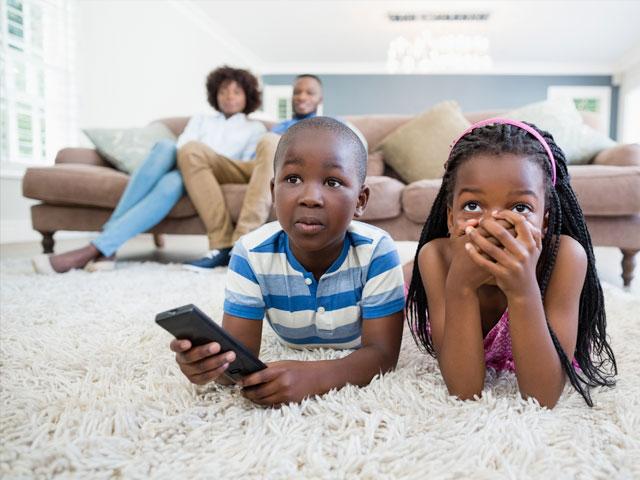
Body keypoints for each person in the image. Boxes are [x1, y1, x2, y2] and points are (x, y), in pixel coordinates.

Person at [169, 117, 405, 406]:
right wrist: (210, 366)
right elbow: (237, 358)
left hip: (372, 293)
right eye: (293, 179)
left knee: (410, 279)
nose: (310, 198)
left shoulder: (377, 251)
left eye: (332, 182)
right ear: (273, 191)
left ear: (360, 200)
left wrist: (317, 377)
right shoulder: (251, 253)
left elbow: (383, 355)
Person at [405, 118, 617, 408]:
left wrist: (522, 288)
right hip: (442, 272)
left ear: (545, 221)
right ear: (451, 217)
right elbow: (464, 391)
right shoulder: (437, 258)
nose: (495, 225)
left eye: (520, 208)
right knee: (403, 278)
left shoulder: (565, 257)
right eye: (473, 206)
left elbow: (543, 397)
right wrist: (460, 285)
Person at [32, 66, 265, 274]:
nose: (229, 97)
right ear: (215, 94)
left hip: (209, 176)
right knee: (165, 148)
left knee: (172, 182)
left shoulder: (254, 129)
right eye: (224, 91)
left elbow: (239, 168)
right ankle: (106, 246)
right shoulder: (202, 120)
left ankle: (98, 247)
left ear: (247, 96)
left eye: (236, 92)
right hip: (185, 162)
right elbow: (183, 146)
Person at [178, 74, 327, 271]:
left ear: (320, 98)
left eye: (309, 92)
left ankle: (242, 244)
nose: (302, 96)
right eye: (297, 92)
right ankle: (222, 245)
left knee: (271, 140)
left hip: (291, 171)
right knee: (191, 149)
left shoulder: (331, 124)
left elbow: (356, 147)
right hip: (256, 167)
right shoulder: (279, 126)